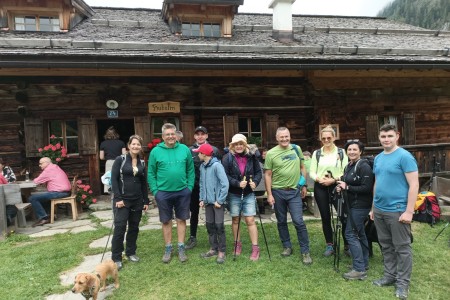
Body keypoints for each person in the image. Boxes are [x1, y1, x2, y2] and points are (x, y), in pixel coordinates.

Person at [371, 124, 419, 300]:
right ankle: (389, 276)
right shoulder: (378, 158)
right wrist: (372, 207)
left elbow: (414, 184)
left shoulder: (405, 157)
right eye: (383, 136)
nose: (386, 139)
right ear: (379, 138)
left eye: (390, 136)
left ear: (397, 136)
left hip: (398, 210)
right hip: (379, 209)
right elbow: (377, 182)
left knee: (402, 248)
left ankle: (402, 284)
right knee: (386, 245)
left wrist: (409, 211)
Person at [264, 127, 312, 265]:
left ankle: (305, 251)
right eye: (281, 137)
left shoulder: (296, 149)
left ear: (289, 136)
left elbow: (303, 167)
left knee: (299, 221)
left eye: (286, 136)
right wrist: (269, 194)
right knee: (281, 220)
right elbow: (267, 174)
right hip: (278, 191)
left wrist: (303, 184)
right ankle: (287, 246)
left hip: (294, 191)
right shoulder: (271, 154)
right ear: (277, 138)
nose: (284, 139)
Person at [148, 123, 195, 263]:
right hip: (163, 192)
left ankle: (181, 247)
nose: (170, 136)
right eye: (167, 134)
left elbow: (190, 170)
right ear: (162, 137)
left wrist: (189, 187)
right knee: (166, 220)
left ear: (176, 135)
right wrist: (156, 191)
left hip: (182, 191)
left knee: (181, 219)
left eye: (172, 134)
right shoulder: (155, 152)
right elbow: (151, 173)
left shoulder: (184, 149)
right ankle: (168, 247)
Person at [336, 140, 374, 280]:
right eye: (349, 149)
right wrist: (341, 186)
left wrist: (348, 187)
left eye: (354, 150)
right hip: (352, 205)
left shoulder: (364, 167)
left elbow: (367, 188)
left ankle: (359, 269)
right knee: (360, 233)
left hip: (361, 205)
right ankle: (363, 262)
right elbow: (347, 182)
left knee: (350, 234)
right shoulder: (349, 166)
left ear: (360, 151)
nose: (351, 152)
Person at [110, 135, 149, 271]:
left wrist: (146, 200)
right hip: (123, 200)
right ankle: (116, 257)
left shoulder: (142, 162)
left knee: (134, 227)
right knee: (120, 228)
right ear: (129, 145)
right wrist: (118, 198)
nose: (136, 146)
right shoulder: (120, 160)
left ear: (140, 147)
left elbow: (143, 182)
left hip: (137, 200)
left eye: (138, 144)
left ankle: (131, 252)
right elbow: (114, 180)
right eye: (133, 144)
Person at [309, 125, 348, 256]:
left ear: (334, 137)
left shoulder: (342, 152)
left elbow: (345, 171)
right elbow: (312, 171)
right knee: (325, 217)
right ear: (321, 138)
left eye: (329, 137)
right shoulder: (317, 153)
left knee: (343, 216)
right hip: (320, 186)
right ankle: (329, 245)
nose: (326, 140)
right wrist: (319, 179)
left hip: (337, 186)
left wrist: (334, 180)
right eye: (323, 138)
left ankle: (347, 245)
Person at [222, 134, 262, 261]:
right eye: (236, 144)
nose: (238, 146)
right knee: (235, 220)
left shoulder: (252, 156)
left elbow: (258, 172)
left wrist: (255, 181)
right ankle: (237, 244)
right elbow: (225, 176)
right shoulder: (227, 158)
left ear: (245, 145)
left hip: (249, 192)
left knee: (250, 220)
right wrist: (237, 183)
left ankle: (255, 248)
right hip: (234, 193)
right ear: (232, 146)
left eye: (241, 144)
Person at [185, 126, 221, 250]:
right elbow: (187, 169)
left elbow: (219, 169)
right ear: (194, 136)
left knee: (213, 212)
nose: (200, 136)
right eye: (197, 134)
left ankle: (215, 237)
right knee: (194, 212)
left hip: (211, 188)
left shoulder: (214, 149)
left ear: (206, 136)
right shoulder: (189, 151)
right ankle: (192, 236)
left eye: (202, 134)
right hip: (195, 187)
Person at [194, 143, 229, 264]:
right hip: (208, 202)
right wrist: (202, 199)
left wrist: (219, 200)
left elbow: (225, 184)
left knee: (219, 226)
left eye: (199, 153)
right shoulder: (202, 166)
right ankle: (213, 248)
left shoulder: (217, 166)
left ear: (204, 154)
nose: (197, 154)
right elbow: (202, 184)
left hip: (217, 203)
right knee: (210, 225)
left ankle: (222, 250)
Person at [29, 157, 71, 227]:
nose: (39, 165)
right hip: (64, 192)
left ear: (46, 163)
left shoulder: (48, 170)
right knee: (43, 198)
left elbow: (36, 181)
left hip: (60, 192)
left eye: (41, 163)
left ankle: (44, 218)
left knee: (32, 198)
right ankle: (50, 216)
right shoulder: (55, 167)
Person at [100, 126, 126, 193]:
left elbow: (101, 157)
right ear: (116, 134)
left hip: (109, 162)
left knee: (109, 178)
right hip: (119, 161)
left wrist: (108, 157)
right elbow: (124, 155)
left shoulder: (103, 144)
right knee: (120, 177)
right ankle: (121, 190)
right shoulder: (121, 143)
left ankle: (110, 191)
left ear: (106, 134)